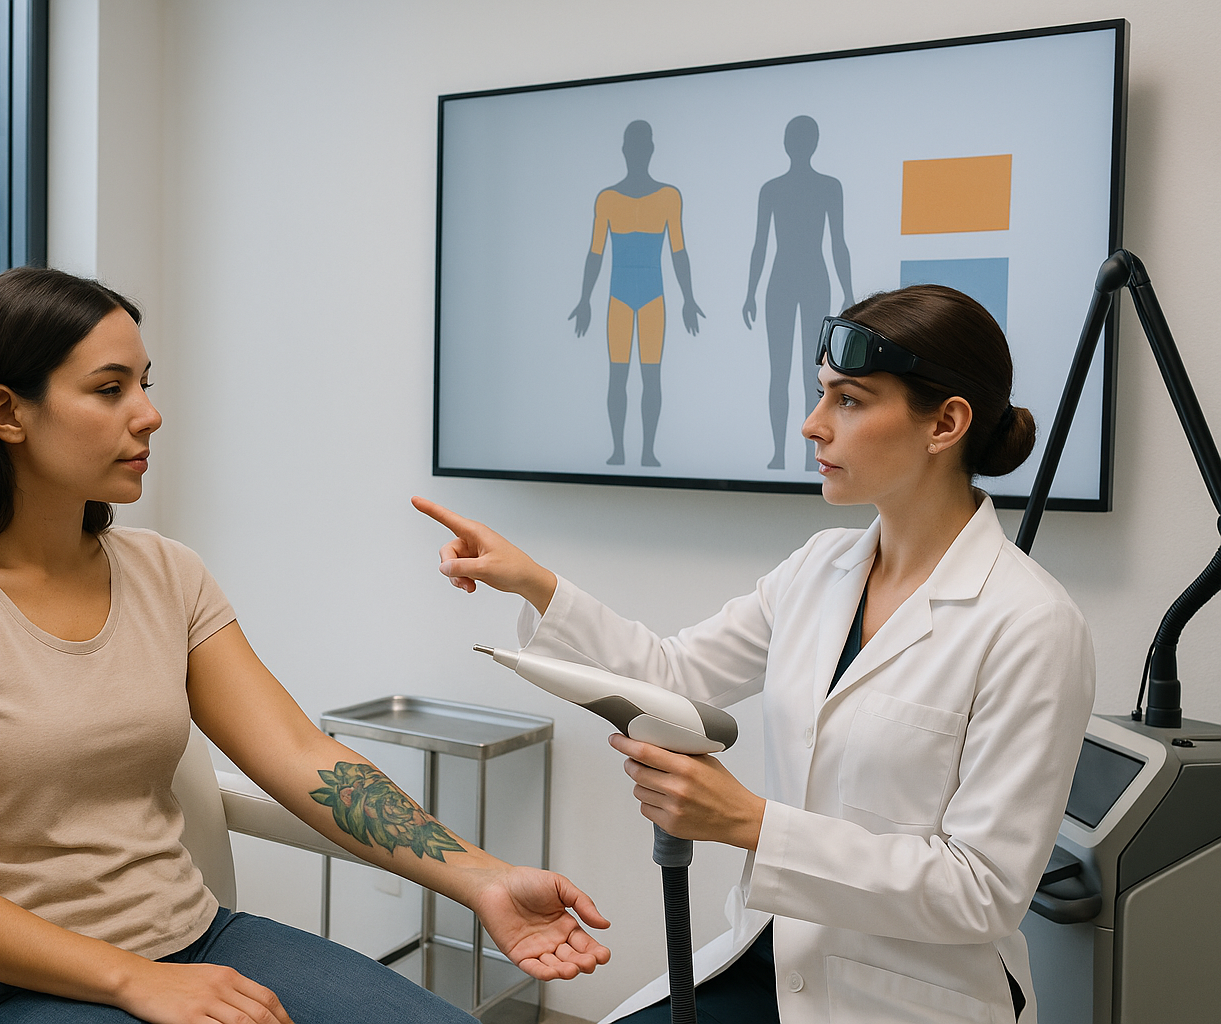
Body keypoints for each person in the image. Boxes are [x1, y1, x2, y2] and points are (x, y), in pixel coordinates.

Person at [0, 266, 610, 1024]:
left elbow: (302, 755)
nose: (148, 414)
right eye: (109, 389)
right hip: (18, 982)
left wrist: (485, 881)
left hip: (199, 941)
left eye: (145, 383)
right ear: (8, 412)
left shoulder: (167, 573)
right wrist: (132, 980)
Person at [416, 284, 1095, 1024]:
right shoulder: (819, 569)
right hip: (772, 961)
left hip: (905, 999)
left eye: (850, 401)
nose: (812, 425)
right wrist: (536, 583)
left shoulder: (1030, 624)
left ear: (947, 422)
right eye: (819, 396)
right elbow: (673, 679)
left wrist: (749, 822)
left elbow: (981, 891)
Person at [569, 119, 704, 468]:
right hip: (618, 297)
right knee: (617, 374)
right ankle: (618, 450)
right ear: (627, 151)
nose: (638, 152)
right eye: (634, 146)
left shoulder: (668, 197)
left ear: (649, 151)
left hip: (652, 299)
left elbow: (679, 251)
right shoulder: (608, 199)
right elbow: (595, 253)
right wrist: (584, 299)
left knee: (650, 375)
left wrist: (688, 298)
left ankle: (647, 451)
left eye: (642, 146)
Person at [742, 116, 855, 472]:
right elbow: (760, 245)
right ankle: (778, 454)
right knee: (781, 369)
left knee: (815, 375)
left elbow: (839, 242)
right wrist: (749, 292)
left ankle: (811, 458)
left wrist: (850, 292)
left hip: (810, 279)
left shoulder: (828, 187)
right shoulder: (772, 189)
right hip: (784, 281)